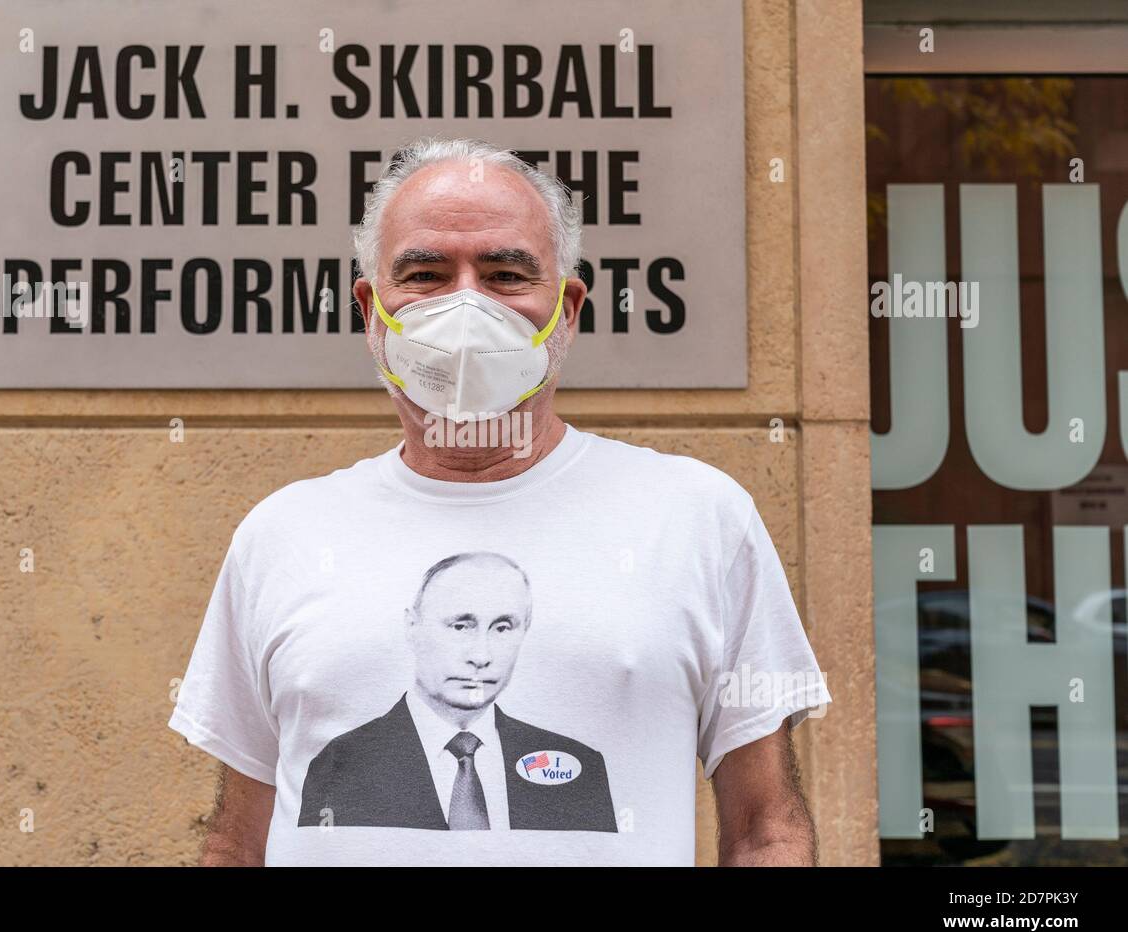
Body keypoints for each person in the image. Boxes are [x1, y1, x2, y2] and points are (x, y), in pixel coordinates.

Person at [169, 136, 831, 866]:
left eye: (506, 273)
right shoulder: (283, 535)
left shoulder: (699, 518)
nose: (465, 306)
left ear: (568, 310)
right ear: (370, 311)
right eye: (424, 274)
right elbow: (238, 841)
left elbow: (766, 829)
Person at [296, 551, 616, 831]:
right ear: (412, 628)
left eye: (503, 627)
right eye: (461, 626)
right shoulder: (341, 764)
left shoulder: (580, 769)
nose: (481, 655)